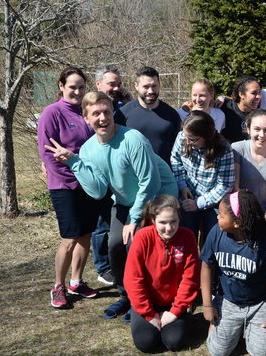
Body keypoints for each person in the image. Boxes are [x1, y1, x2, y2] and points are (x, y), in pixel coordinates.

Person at [45, 91, 178, 322]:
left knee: (137, 245)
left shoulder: (133, 139)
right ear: (86, 118)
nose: (102, 118)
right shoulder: (88, 149)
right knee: (115, 246)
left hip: (157, 199)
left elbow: (150, 182)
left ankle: (145, 300)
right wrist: (74, 162)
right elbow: (97, 191)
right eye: (96, 113)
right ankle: (126, 296)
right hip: (126, 201)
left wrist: (133, 220)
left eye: (106, 112)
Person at [200, 190, 266, 356]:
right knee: (219, 352)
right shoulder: (216, 232)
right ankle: (229, 327)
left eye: (222, 215)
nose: (217, 217)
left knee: (261, 354)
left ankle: (249, 328)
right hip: (229, 300)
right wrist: (207, 304)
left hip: (260, 302)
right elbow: (206, 266)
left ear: (237, 223)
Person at [37, 67, 99, 308]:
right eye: (72, 87)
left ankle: (76, 281)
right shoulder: (51, 113)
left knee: (86, 235)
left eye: (81, 87)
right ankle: (58, 286)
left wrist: (90, 179)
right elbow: (48, 155)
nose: (77, 92)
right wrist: (74, 180)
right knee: (70, 238)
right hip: (65, 186)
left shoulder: (86, 111)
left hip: (89, 184)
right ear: (61, 86)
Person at [124, 195, 200, 352]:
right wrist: (149, 314)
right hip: (148, 301)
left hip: (173, 302)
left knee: (174, 342)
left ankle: (183, 315)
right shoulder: (142, 237)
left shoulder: (188, 237)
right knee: (146, 343)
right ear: (153, 220)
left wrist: (175, 312)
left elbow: (190, 279)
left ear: (179, 219)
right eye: (163, 222)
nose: (169, 228)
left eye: (173, 221)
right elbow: (133, 279)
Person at [91, 64, 132, 287]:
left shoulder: (119, 106)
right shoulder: (93, 106)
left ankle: (117, 262)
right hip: (100, 170)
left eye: (119, 84)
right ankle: (102, 267)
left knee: (113, 220)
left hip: (120, 173)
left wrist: (128, 100)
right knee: (101, 224)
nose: (116, 88)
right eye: (111, 84)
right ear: (98, 84)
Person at [171, 110, 234, 245]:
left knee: (212, 237)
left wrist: (198, 203)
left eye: (193, 139)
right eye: (186, 136)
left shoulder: (224, 150)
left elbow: (224, 185)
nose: (187, 142)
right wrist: (182, 186)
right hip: (188, 193)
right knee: (186, 234)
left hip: (212, 200)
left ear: (206, 135)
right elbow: (175, 160)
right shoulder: (183, 137)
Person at [231, 109, 266, 236]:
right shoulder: (237, 149)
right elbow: (236, 188)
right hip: (240, 214)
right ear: (248, 129)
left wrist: (265, 218)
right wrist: (246, 216)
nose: (262, 134)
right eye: (257, 129)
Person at [114, 66, 182, 165]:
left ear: (159, 85)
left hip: (164, 172)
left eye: (154, 86)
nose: (151, 91)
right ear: (136, 86)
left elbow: (178, 150)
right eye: (146, 87)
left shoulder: (172, 114)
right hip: (133, 172)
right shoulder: (123, 114)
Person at [220, 76, 262, 143]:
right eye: (253, 93)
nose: (258, 96)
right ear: (241, 94)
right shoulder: (225, 107)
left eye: (259, 92)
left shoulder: (261, 111)